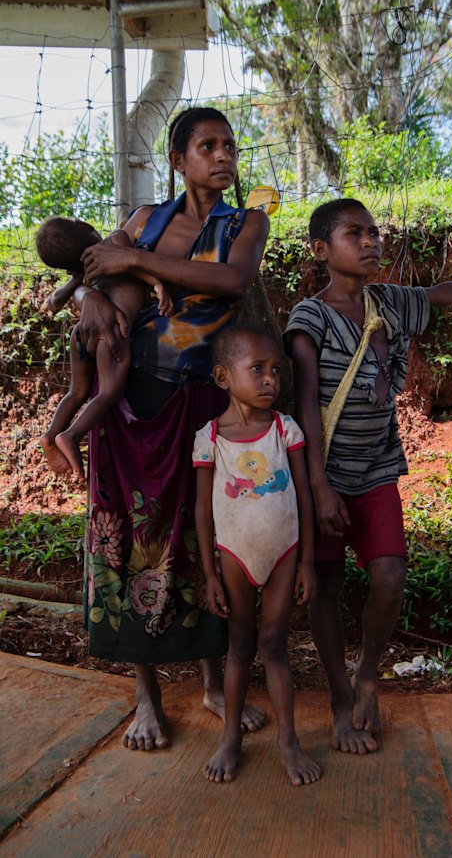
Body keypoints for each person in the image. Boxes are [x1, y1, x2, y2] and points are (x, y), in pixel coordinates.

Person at [284, 198, 452, 754]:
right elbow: (305, 407)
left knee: (389, 577)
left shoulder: (389, 302)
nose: (370, 242)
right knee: (328, 589)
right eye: (354, 233)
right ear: (321, 249)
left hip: (377, 470)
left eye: (374, 232)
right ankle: (341, 700)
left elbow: (441, 295)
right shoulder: (309, 318)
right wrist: (317, 486)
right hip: (325, 476)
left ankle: (367, 674)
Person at [72, 106, 271, 750]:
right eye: (207, 146)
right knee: (132, 536)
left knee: (201, 539)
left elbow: (231, 279)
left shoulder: (244, 223)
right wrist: (94, 295)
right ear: (178, 160)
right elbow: (91, 271)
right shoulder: (142, 221)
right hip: (132, 407)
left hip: (203, 404)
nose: (222, 156)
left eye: (229, 146)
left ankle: (213, 686)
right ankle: (146, 697)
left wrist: (146, 268)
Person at [193, 324, 321, 786]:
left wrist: (307, 560)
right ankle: (231, 738)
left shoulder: (285, 429)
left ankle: (289, 741)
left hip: (284, 553)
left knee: (275, 646)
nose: (271, 380)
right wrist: (209, 572)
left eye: (276, 371)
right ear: (223, 376)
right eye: (258, 370)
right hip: (233, 557)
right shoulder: (210, 437)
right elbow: (203, 510)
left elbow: (303, 496)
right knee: (240, 646)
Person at [37, 216, 172, 478]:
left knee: (76, 391)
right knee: (108, 391)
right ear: (85, 225)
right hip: (113, 330)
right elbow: (132, 262)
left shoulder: (83, 273)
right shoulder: (116, 239)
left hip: (82, 332)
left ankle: (51, 433)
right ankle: (71, 436)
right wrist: (155, 282)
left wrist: (75, 280)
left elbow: (55, 301)